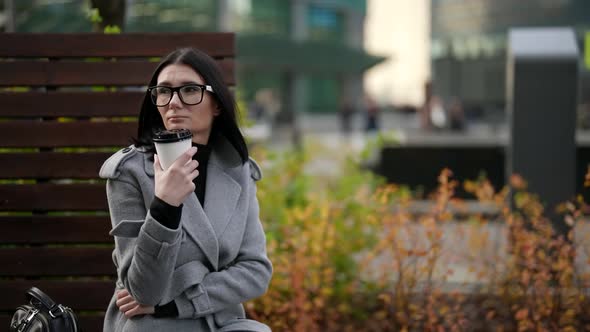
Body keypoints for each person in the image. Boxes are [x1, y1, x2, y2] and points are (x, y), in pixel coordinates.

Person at [99, 48, 273, 332]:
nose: (174, 103)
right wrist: (165, 205)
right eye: (164, 92)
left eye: (190, 90)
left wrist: (178, 302)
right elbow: (143, 291)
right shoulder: (129, 173)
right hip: (150, 324)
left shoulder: (238, 171)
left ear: (216, 103)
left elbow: (256, 272)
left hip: (219, 320)